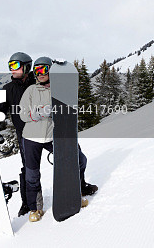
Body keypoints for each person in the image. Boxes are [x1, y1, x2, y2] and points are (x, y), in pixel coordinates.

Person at [19, 56, 98, 222]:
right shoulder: (31, 91)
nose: (40, 74)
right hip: (32, 138)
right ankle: (35, 208)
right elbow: (23, 114)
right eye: (36, 70)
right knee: (32, 174)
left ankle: (75, 194)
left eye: (44, 69)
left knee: (79, 160)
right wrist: (39, 112)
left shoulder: (60, 89)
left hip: (54, 136)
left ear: (51, 71)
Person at [0, 52, 36, 217]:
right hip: (24, 135)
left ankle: (78, 185)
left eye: (15, 65)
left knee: (69, 157)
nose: (12, 69)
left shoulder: (39, 83)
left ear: (26, 66)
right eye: (10, 66)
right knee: (29, 171)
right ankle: (28, 203)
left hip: (46, 131)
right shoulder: (7, 89)